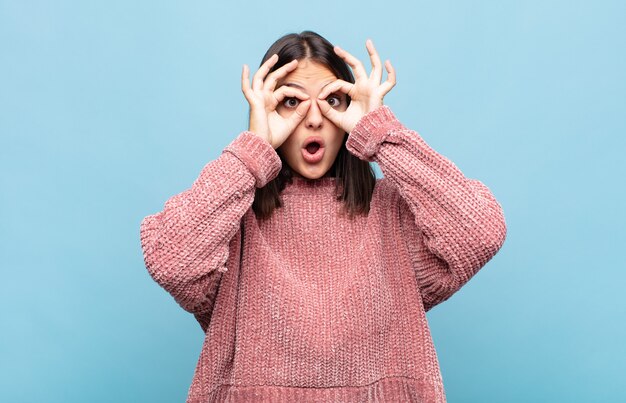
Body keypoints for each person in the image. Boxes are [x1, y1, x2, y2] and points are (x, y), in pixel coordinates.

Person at [140, 30, 507, 403]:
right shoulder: (232, 220)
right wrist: (252, 152)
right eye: (291, 102)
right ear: (266, 111)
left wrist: (380, 131)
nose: (314, 118)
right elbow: (172, 261)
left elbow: (480, 232)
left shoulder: (393, 215)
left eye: (332, 100)